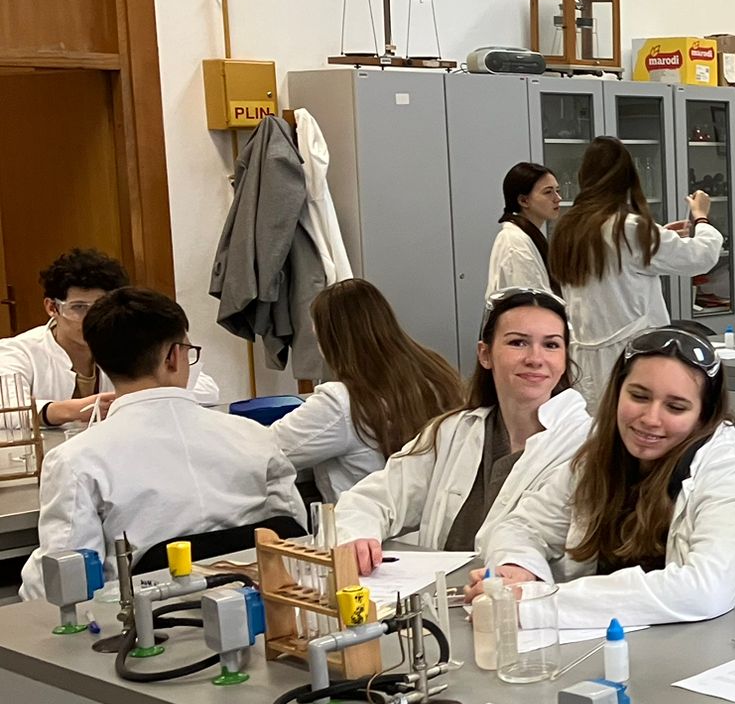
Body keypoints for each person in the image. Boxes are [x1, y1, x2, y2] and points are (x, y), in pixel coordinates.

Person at [479, 326, 735, 628]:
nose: (651, 419)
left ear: (703, 416)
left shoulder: (731, 468)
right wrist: (517, 568)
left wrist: (540, 603)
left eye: (675, 407)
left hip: (730, 646)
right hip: (624, 642)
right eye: (639, 396)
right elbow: (520, 526)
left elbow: (706, 592)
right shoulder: (597, 457)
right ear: (617, 392)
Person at [22, 289, 299, 602]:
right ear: (174, 356)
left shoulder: (76, 460)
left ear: (100, 359)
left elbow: (63, 581)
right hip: (266, 608)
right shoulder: (256, 436)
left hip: (150, 622)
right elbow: (296, 536)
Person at [337, 288, 590, 566]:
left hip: (532, 593)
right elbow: (373, 500)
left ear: (565, 358)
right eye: (518, 342)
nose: (535, 358)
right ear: (485, 354)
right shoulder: (452, 432)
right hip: (441, 592)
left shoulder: (586, 444)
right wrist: (358, 537)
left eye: (551, 345)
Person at [551, 138, 722, 406]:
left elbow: (618, 263)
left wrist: (659, 236)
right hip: (633, 355)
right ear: (628, 179)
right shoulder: (629, 228)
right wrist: (701, 216)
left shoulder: (569, 228)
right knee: (638, 424)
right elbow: (701, 256)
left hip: (584, 360)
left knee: (595, 426)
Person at [270, 280, 465, 504]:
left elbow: (265, 453)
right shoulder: (435, 372)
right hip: (434, 518)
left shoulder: (340, 401)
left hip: (367, 522)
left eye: (318, 338)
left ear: (331, 340)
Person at [0, 248, 221, 428]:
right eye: (78, 307)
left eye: (101, 307)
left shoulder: (131, 341)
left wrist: (133, 394)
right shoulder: (17, 351)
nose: (91, 318)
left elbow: (207, 390)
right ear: (52, 307)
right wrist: (68, 410)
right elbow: (6, 411)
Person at [487, 162, 560, 296]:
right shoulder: (515, 242)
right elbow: (532, 301)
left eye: (557, 191)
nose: (558, 198)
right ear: (523, 201)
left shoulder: (527, 235)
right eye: (548, 192)